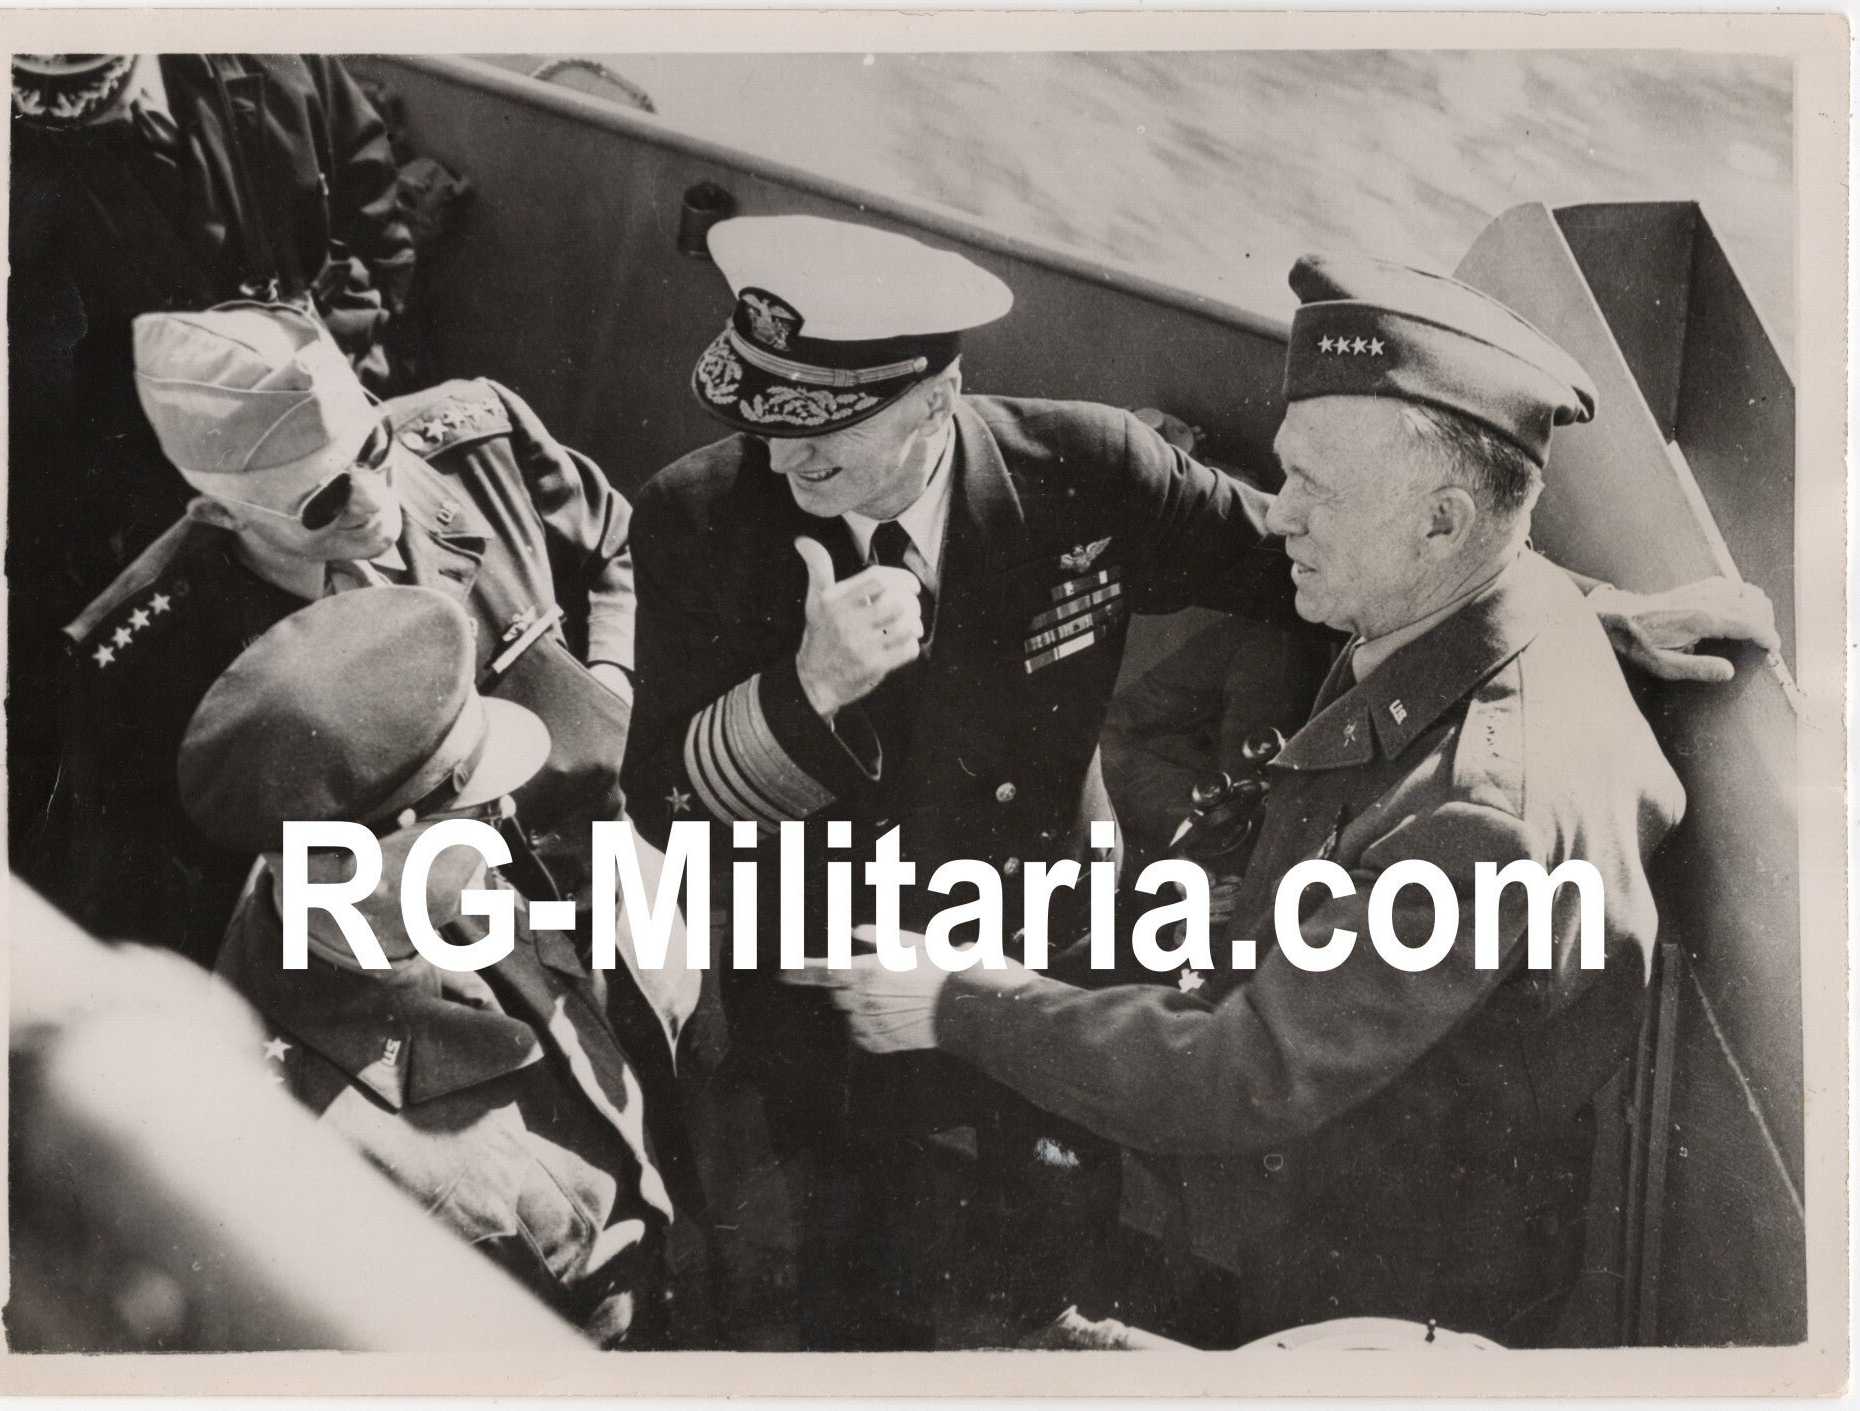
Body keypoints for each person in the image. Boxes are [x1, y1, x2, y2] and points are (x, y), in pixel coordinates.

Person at [621, 215, 1773, 1348]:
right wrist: (802, 695)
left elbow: (1308, 556)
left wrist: (1594, 610)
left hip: (1043, 934)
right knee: (842, 1210)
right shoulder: (698, 517)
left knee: (1047, 1190)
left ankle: (1037, 1318)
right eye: (761, 419)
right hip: (827, 952)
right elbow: (662, 803)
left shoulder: (1079, 468)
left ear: (933, 398)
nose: (784, 457)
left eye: (825, 428)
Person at [39, 302, 637, 975]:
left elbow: (613, 542)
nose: (376, 504)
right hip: (428, 959)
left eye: (371, 449)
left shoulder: (479, 433)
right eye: (323, 500)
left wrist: (610, 677)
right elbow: (145, 900)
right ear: (218, 513)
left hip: (601, 853)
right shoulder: (144, 666)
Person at [186, 587, 688, 1347]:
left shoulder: (396, 884)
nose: (508, 817)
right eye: (481, 809)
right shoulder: (315, 1162)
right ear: (375, 860)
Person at [8, 54, 415, 856]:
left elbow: (366, 205)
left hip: (339, 413)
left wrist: (341, 380)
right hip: (158, 498)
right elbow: (34, 418)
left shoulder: (265, 52)